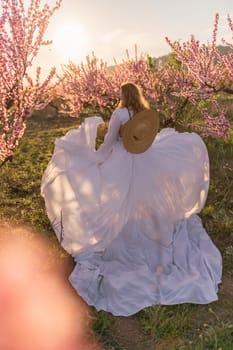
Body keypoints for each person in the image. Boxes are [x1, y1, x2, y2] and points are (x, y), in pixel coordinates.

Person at [41, 82, 222, 317]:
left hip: (122, 162)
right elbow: (144, 139)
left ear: (122, 95)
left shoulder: (119, 113)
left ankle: (124, 238)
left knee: (119, 201)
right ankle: (151, 234)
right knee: (144, 200)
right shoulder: (142, 113)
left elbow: (107, 145)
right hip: (145, 158)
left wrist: (92, 158)